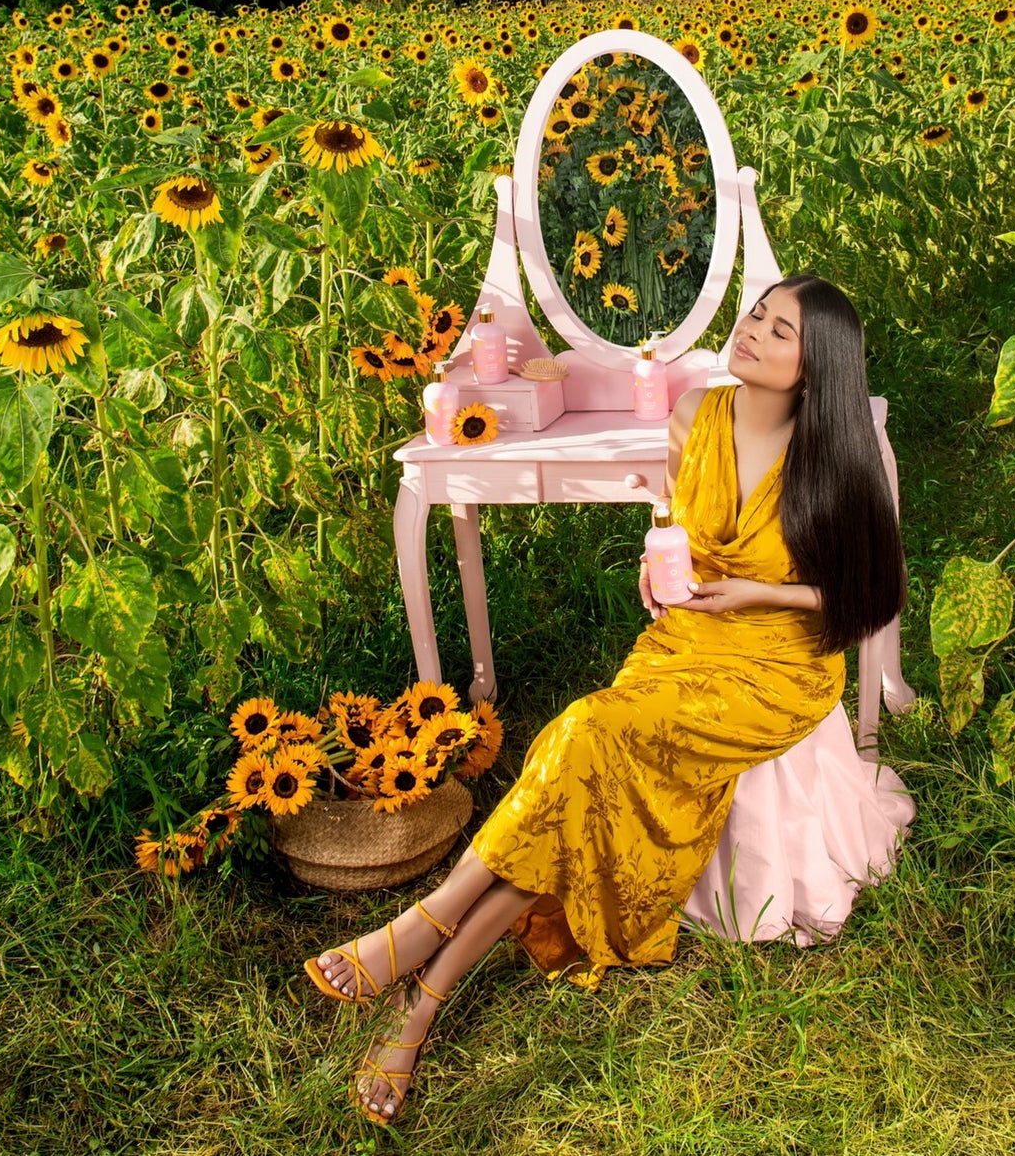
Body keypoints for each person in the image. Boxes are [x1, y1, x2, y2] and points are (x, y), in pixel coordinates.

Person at [304, 272, 907, 1125]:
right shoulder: (697, 411)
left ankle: (424, 936)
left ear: (817, 369)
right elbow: (675, 524)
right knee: (581, 774)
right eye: (756, 316)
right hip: (683, 642)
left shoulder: (834, 452)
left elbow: (868, 598)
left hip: (775, 669)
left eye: (781, 334)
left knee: (585, 730)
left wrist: (754, 597)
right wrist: (655, 565)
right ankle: (422, 1000)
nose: (754, 334)